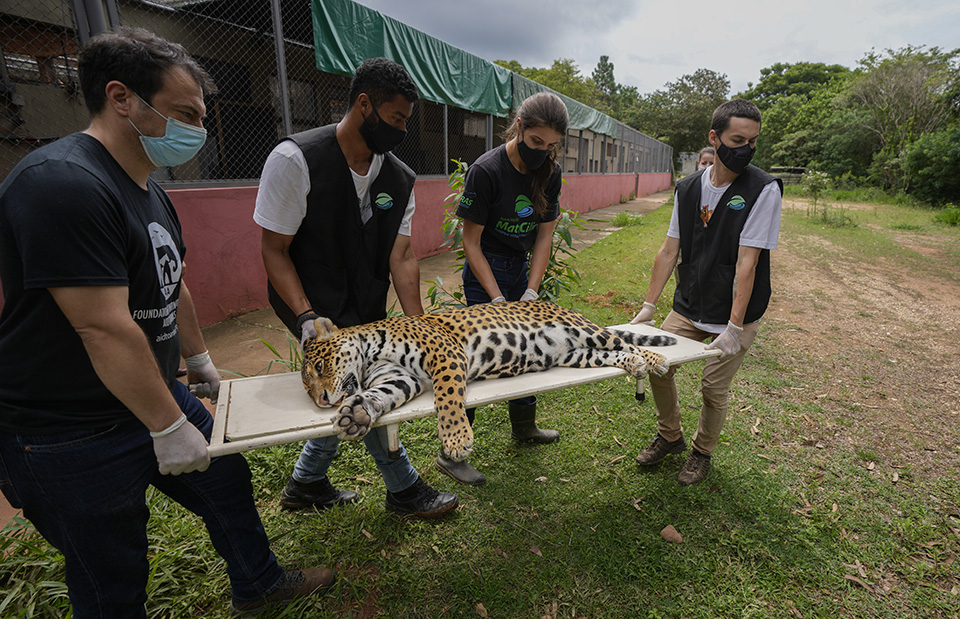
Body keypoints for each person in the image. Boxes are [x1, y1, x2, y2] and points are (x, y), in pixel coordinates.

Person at [0, 28, 333, 617]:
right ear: (122, 98)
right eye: (183, 113)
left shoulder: (149, 189)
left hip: (152, 395)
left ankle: (257, 585)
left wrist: (198, 360)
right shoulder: (63, 185)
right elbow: (100, 327)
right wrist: (165, 424)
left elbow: (171, 284)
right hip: (69, 429)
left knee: (226, 484)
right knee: (112, 571)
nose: (197, 130)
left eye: (201, 116)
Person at [254, 57, 458, 519]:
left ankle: (305, 483)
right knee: (360, 388)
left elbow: (401, 257)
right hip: (312, 302)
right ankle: (404, 489)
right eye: (396, 118)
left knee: (351, 386)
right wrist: (306, 316)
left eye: (407, 120)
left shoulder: (399, 179)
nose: (402, 129)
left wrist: (420, 328)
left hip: (366, 300)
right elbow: (274, 249)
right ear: (364, 104)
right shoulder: (295, 160)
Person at [630, 99, 782, 486]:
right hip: (689, 304)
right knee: (658, 366)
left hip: (735, 312)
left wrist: (733, 327)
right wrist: (649, 306)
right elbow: (669, 251)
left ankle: (701, 452)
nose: (746, 148)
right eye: (737, 139)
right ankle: (670, 436)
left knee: (713, 387)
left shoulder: (762, 190)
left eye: (753, 141)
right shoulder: (687, 188)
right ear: (714, 138)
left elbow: (747, 265)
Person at [436, 92, 569, 486]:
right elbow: (470, 243)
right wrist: (495, 300)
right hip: (485, 271)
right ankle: (452, 453)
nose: (542, 153)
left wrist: (530, 291)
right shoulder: (486, 171)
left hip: (520, 269)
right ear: (520, 128)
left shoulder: (550, 171)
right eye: (535, 143)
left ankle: (524, 427)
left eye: (551, 147)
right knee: (475, 361)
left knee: (525, 352)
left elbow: (544, 237)